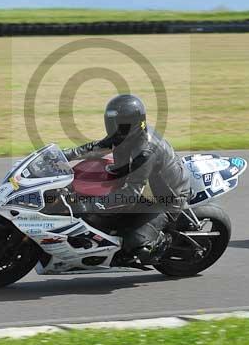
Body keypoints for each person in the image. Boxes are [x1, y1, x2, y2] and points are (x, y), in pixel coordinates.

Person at [62, 94, 192, 264]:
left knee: (136, 244)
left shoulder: (146, 152)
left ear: (131, 124)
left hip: (167, 199)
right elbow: (98, 147)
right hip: (142, 186)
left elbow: (131, 193)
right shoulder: (126, 134)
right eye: (111, 122)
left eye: (117, 123)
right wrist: (65, 155)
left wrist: (89, 205)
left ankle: (161, 244)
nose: (113, 127)